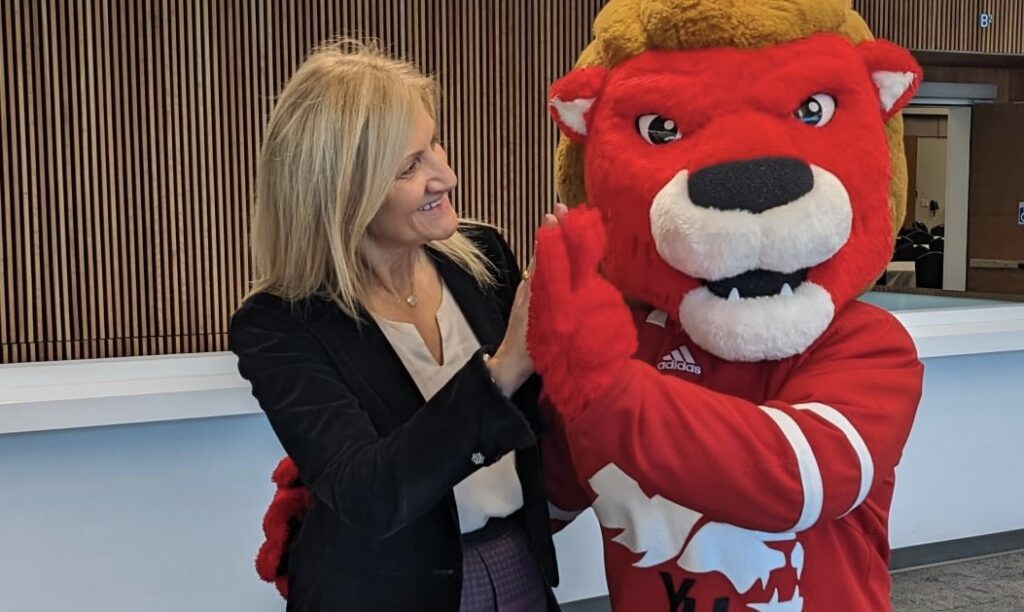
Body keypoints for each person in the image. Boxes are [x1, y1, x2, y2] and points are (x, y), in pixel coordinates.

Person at [229, 41, 560, 611]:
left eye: (433, 142)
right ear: (341, 194)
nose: (446, 175)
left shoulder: (484, 256)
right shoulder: (278, 326)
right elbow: (370, 493)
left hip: (517, 560)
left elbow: (543, 418)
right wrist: (502, 371)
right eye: (410, 166)